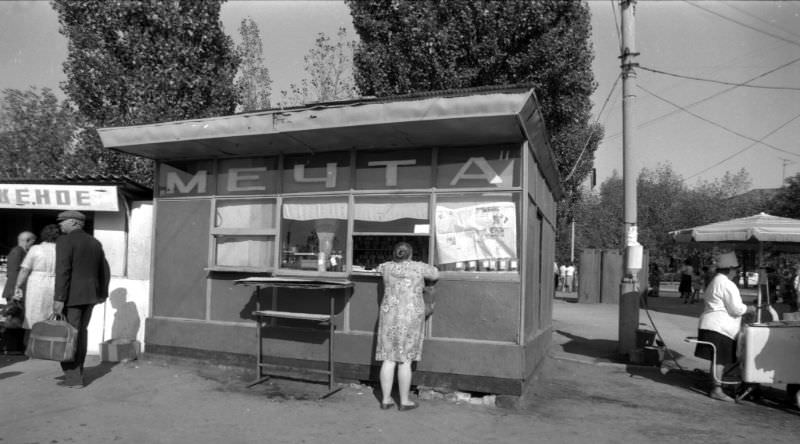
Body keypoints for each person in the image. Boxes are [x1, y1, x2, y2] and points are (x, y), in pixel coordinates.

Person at [375, 242, 439, 411]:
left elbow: (376, 269)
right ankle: (404, 401)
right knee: (405, 359)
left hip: (389, 315)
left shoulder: (386, 267)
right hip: (411, 316)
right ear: (410, 254)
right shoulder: (419, 267)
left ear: (394, 254)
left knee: (388, 358)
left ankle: (386, 399)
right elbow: (435, 274)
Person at [53, 211, 110, 388]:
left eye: (62, 222)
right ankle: (78, 373)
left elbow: (63, 271)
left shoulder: (64, 241)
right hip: (90, 295)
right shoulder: (94, 242)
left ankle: (73, 378)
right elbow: (104, 271)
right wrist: (101, 294)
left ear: (74, 222)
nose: (60, 225)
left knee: (70, 336)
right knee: (81, 334)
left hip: (71, 297)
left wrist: (59, 298)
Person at [694, 251, 755, 402]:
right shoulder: (727, 284)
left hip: (711, 325)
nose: (736, 273)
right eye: (735, 270)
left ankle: (717, 385)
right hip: (719, 327)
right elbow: (736, 309)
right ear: (729, 269)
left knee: (717, 359)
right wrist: (749, 309)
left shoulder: (715, 281)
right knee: (719, 359)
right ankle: (716, 389)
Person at [14, 225, 61, 331]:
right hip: (55, 282)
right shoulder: (61, 249)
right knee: (51, 313)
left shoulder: (36, 249)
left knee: (35, 312)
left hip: (37, 282)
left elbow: (25, 269)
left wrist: (17, 286)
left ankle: (34, 338)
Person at [2, 231, 36, 303]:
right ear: (28, 240)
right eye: (33, 242)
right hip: (15, 292)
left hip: (20, 290)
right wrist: (15, 291)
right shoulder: (17, 251)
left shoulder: (23, 251)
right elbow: (13, 272)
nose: (34, 245)